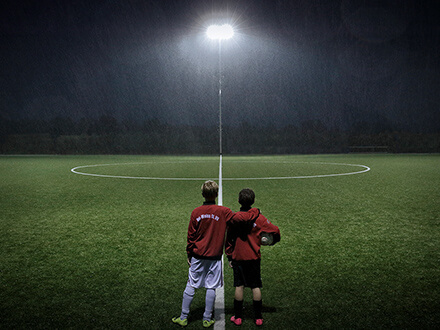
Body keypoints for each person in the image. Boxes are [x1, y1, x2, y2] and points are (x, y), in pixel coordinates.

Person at [172, 181, 260, 328]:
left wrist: (189, 253)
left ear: (202, 194)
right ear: (217, 194)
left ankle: (183, 317)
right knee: (211, 287)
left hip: (198, 255)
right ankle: (207, 318)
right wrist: (255, 211)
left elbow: (191, 236)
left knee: (191, 284)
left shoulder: (196, 212)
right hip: (214, 257)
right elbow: (241, 218)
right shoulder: (224, 212)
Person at [226, 188, 281, 327]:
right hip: (254, 258)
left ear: (239, 201)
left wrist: (229, 256)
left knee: (239, 286)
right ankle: (258, 317)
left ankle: (238, 317)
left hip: (238, 257)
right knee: (255, 286)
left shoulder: (234, 219)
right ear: (253, 201)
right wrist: (273, 240)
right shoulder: (259, 217)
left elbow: (229, 239)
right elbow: (275, 230)